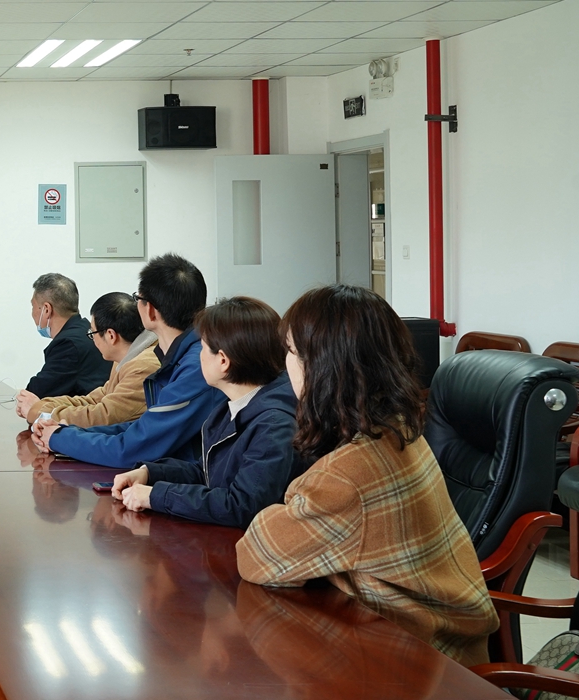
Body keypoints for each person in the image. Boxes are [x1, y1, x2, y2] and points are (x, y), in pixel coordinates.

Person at [236, 284, 497, 666]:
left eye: (291, 351)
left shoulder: (347, 477)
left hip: (424, 667)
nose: (285, 363)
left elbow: (256, 556)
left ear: (321, 366)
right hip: (443, 641)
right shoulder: (397, 427)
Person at [110, 296, 299, 529]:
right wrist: (150, 473)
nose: (199, 355)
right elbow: (207, 472)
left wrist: (155, 495)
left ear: (223, 361)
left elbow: (242, 505)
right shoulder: (230, 407)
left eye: (202, 347)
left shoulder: (274, 425)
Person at [33, 254, 221, 467]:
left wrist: (60, 437)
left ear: (149, 310)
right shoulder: (183, 356)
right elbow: (143, 427)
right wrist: (64, 433)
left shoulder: (196, 368)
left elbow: (132, 448)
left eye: (137, 299)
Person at [15, 292, 159, 429]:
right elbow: (95, 399)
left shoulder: (143, 366)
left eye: (92, 332)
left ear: (111, 335)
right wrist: (41, 406)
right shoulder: (127, 357)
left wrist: (39, 413)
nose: (92, 339)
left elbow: (103, 416)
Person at [24, 273, 112, 400]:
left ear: (47, 309)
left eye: (33, 307)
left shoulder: (68, 344)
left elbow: (36, 393)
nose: (32, 313)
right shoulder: (85, 329)